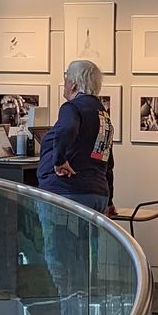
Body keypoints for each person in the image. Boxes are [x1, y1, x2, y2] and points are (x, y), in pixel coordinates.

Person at [38, 58, 114, 212]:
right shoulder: (103, 115)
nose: (64, 84)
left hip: (67, 192)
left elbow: (67, 128)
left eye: (66, 78)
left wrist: (59, 160)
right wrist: (110, 201)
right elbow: (107, 160)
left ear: (73, 84)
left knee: (59, 237)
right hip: (97, 194)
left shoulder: (72, 107)